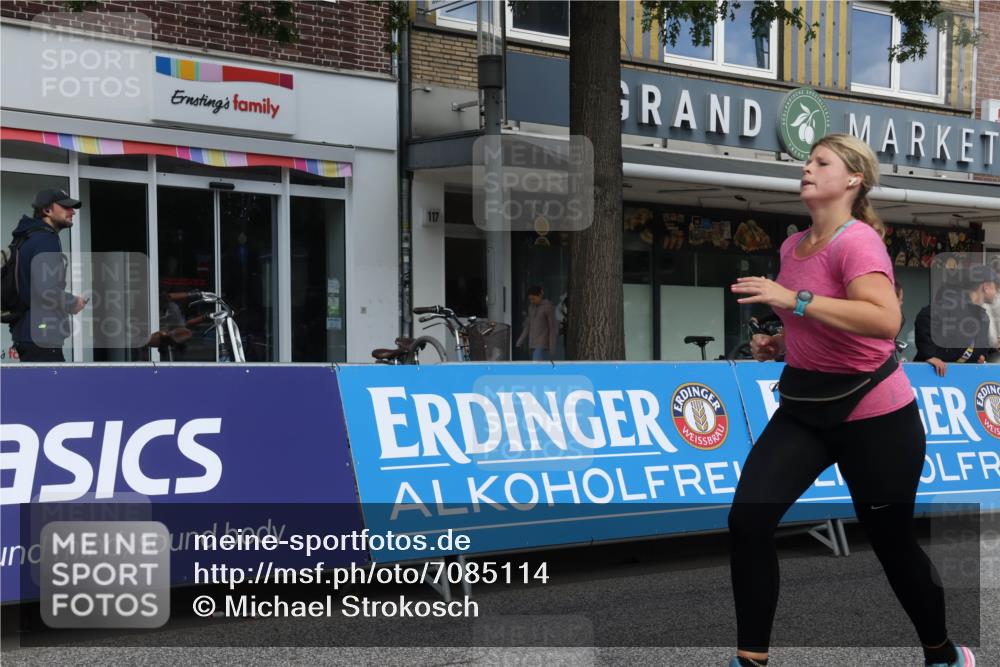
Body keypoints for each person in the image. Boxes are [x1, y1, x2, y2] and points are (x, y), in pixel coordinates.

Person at [729, 134, 974, 667]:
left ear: (853, 179)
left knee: (892, 545)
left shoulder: (856, 241)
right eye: (806, 162)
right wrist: (782, 343)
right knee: (748, 521)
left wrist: (791, 299)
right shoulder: (793, 247)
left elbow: (883, 321)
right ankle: (750, 661)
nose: (807, 170)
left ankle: (943, 653)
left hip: (875, 416)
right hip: (804, 410)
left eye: (822, 163)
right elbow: (822, 325)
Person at [9, 189, 88, 362]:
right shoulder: (46, 239)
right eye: (66, 207)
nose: (72, 211)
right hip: (41, 335)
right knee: (53, 388)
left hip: (28, 331)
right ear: (47, 210)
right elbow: (46, 290)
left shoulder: (28, 237)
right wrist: (72, 302)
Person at [913, 266, 996, 376]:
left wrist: (981, 356)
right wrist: (929, 355)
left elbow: (976, 347)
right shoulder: (953, 303)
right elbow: (925, 317)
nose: (997, 293)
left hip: (957, 378)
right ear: (986, 287)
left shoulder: (983, 316)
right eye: (996, 288)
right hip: (930, 375)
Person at [515, 285, 556, 361]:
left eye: (534, 299)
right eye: (530, 299)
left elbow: (552, 327)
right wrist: (519, 341)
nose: (532, 301)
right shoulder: (531, 307)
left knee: (536, 367)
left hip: (542, 344)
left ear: (540, 295)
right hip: (532, 344)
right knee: (538, 368)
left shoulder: (548, 307)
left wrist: (552, 347)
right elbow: (528, 326)